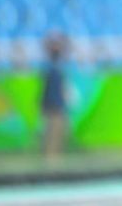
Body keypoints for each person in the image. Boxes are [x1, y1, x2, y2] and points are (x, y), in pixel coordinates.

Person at [40, 32, 69, 163]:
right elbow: (47, 90)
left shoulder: (59, 67)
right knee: (50, 133)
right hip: (52, 105)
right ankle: (49, 158)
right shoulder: (50, 68)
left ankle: (54, 157)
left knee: (59, 132)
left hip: (58, 105)